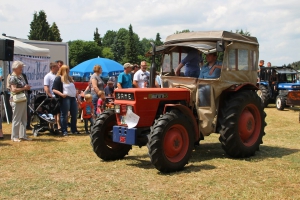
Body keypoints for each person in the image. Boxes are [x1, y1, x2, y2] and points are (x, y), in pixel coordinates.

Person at [52, 65, 80, 136]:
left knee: (74, 114)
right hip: (65, 98)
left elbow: (74, 89)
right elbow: (54, 89)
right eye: (68, 70)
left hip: (72, 97)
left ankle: (74, 129)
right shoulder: (59, 78)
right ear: (64, 70)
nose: (69, 71)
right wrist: (61, 94)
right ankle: (64, 130)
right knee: (64, 115)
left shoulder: (69, 79)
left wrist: (77, 98)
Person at [9, 61, 32, 142]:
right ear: (15, 68)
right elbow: (13, 89)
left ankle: (23, 135)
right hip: (17, 100)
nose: (21, 69)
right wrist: (24, 88)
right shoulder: (13, 77)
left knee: (23, 118)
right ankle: (14, 136)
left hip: (23, 99)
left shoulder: (20, 76)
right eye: (20, 67)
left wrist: (27, 87)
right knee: (17, 118)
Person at [44, 62, 61, 132]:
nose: (58, 68)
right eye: (57, 67)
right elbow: (46, 87)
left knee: (58, 112)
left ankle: (58, 125)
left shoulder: (56, 76)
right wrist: (49, 95)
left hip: (57, 96)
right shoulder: (48, 76)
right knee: (52, 112)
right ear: (53, 68)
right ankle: (51, 126)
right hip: (52, 96)